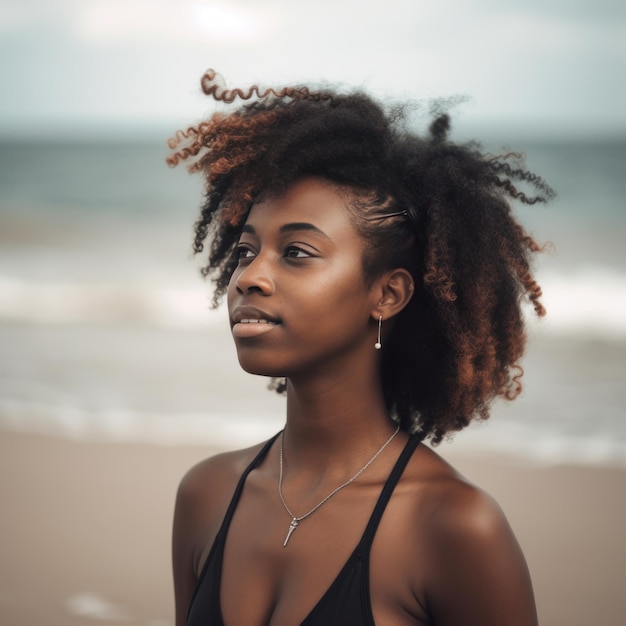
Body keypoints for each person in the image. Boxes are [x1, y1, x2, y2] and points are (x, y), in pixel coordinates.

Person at [167, 69, 554, 626]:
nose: (249, 277)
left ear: (387, 293)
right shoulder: (205, 495)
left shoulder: (453, 527)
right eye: (246, 250)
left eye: (296, 251)